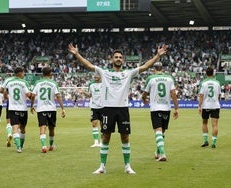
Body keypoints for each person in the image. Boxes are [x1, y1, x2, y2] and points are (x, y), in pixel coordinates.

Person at [68, 43, 167, 174]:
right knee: (106, 137)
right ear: (112, 59)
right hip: (107, 109)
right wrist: (77, 54)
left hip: (123, 109)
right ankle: (102, 166)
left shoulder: (128, 73)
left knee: (125, 137)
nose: (118, 59)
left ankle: (127, 166)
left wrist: (157, 56)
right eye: (116, 57)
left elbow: (145, 66)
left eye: (120, 57)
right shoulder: (104, 72)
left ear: (123, 60)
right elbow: (89, 65)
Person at [141, 62, 179, 162]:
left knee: (157, 130)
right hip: (166, 108)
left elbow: (144, 93)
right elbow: (174, 94)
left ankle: (162, 154)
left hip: (155, 108)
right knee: (162, 131)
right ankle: (158, 152)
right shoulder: (170, 78)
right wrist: (176, 108)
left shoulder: (151, 78)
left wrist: (144, 99)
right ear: (162, 68)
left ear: (154, 69)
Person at [30, 67, 66, 153]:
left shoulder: (37, 83)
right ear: (50, 74)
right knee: (51, 128)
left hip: (41, 109)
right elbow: (58, 96)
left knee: (42, 127)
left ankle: (43, 146)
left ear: (42, 74)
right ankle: (51, 145)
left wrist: (31, 106)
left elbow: (33, 96)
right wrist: (63, 109)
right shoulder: (54, 83)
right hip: (51, 109)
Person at [5, 67, 32, 153]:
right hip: (23, 109)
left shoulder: (9, 82)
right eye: (23, 73)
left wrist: (7, 97)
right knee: (23, 129)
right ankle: (21, 145)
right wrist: (33, 97)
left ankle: (18, 147)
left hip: (12, 108)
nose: (24, 74)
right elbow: (28, 95)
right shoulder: (24, 82)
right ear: (20, 73)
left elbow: (3, 92)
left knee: (15, 128)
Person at [198, 67, 221, 148]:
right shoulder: (217, 82)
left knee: (204, 123)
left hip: (206, 105)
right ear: (213, 73)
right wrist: (217, 101)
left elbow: (201, 95)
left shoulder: (203, 83)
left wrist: (199, 106)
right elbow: (219, 95)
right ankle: (214, 142)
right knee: (214, 124)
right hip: (215, 105)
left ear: (206, 73)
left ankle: (205, 141)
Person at [82, 73, 102, 148]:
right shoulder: (91, 84)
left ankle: (102, 142)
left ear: (100, 76)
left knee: (103, 125)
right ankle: (96, 142)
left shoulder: (104, 84)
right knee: (94, 124)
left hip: (103, 107)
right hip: (94, 107)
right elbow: (90, 95)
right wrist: (84, 93)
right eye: (95, 75)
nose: (96, 76)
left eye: (97, 75)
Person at [0, 75, 14, 147]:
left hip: (10, 102)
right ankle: (17, 139)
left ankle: (9, 134)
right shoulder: (22, 80)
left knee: (8, 121)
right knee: (18, 123)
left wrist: (7, 97)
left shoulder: (8, 80)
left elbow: (1, 90)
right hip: (20, 104)